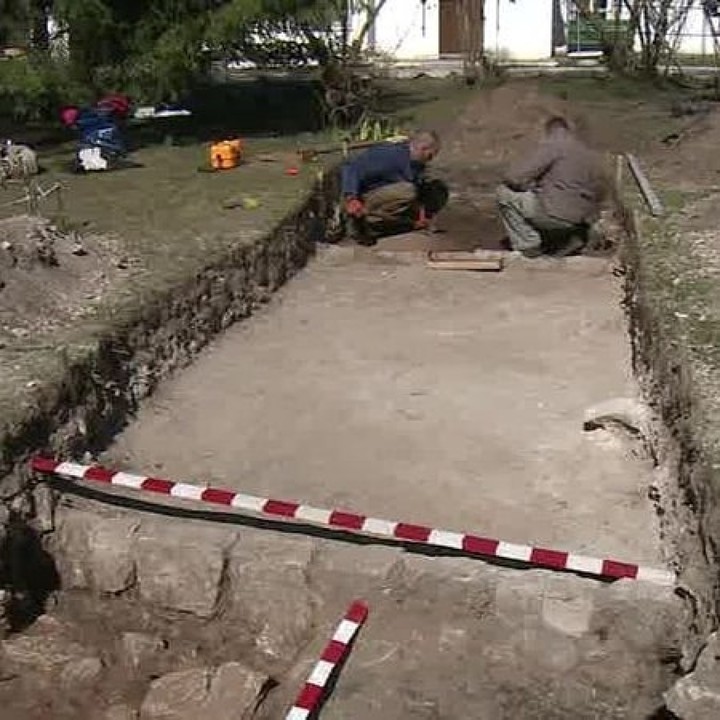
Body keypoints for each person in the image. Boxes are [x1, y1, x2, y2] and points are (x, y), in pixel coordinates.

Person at [496, 116, 606, 257]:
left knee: (504, 193)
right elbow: (601, 192)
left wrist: (526, 186)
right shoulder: (590, 154)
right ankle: (571, 238)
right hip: (582, 218)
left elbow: (513, 176)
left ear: (549, 131)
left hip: (555, 214)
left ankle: (528, 246)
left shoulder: (554, 145)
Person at [341, 130, 449, 245]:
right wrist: (351, 198)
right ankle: (366, 223)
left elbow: (419, 183)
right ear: (422, 148)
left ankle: (395, 219)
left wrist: (422, 214)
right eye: (430, 155)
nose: (430, 159)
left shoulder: (415, 162)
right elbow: (351, 168)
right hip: (362, 197)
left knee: (436, 188)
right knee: (407, 191)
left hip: (383, 193)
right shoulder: (389, 156)